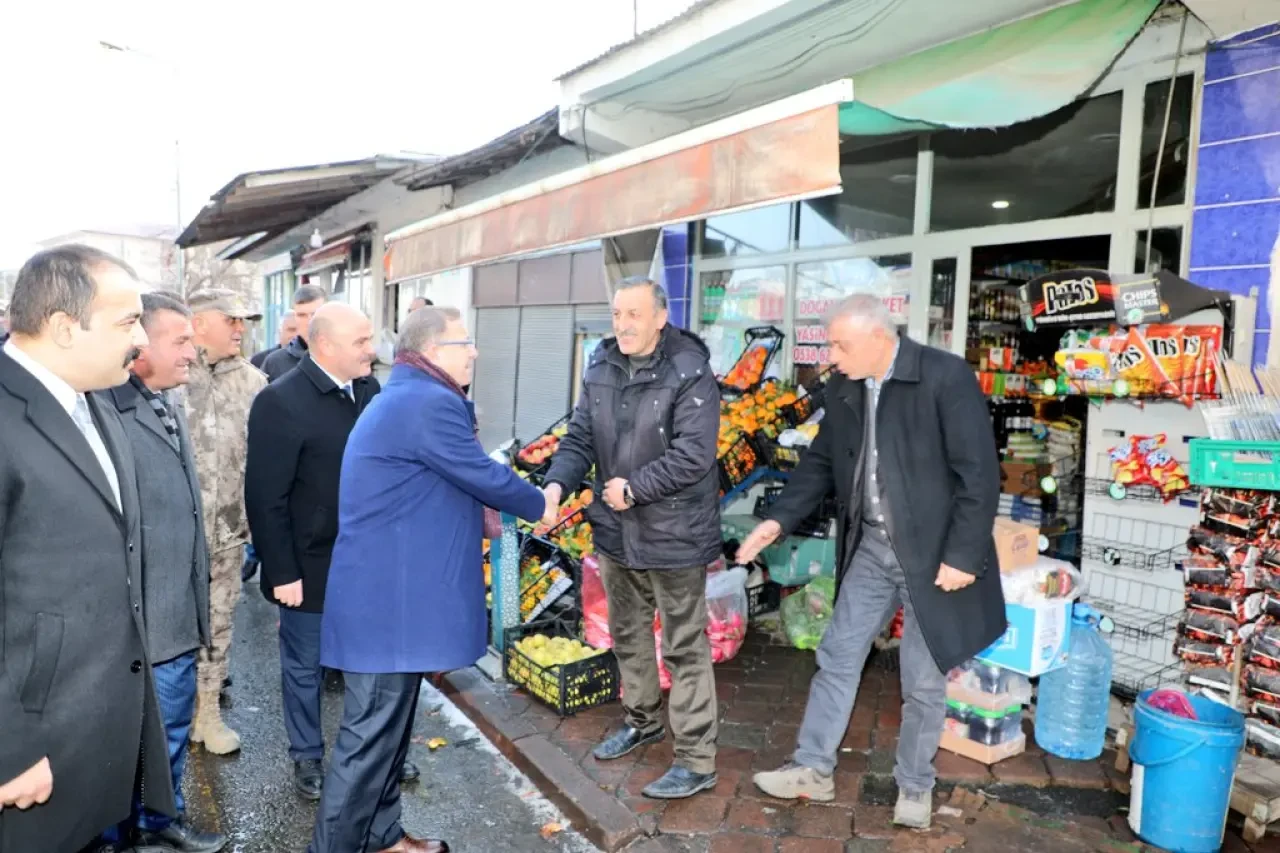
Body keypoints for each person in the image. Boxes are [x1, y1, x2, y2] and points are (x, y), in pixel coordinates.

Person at [740, 294, 1005, 830]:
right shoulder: (845, 388)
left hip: (934, 558)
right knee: (837, 654)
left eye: (840, 345)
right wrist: (778, 520)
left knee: (922, 682)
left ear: (881, 339)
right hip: (875, 548)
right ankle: (814, 767)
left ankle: (915, 785)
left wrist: (961, 556)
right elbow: (818, 464)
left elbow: (979, 476)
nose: (831, 357)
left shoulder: (943, 377)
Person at [310, 306, 551, 853]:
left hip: (393, 603)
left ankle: (384, 838)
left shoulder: (409, 395)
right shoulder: (428, 403)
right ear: (433, 351)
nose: (473, 352)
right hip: (389, 608)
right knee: (368, 742)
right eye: (464, 342)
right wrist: (540, 499)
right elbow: (483, 475)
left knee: (388, 738)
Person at [0, 245, 176, 853]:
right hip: (30, 745)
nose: (142, 342)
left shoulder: (94, 401)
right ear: (62, 327)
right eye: (127, 322)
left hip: (93, 726)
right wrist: (8, 751)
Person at [542, 276, 722, 800]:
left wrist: (635, 489)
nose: (622, 324)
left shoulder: (690, 370)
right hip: (617, 529)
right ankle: (641, 719)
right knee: (629, 634)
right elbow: (579, 437)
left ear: (660, 318)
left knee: (686, 645)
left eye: (634, 314)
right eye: (617, 314)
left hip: (675, 532)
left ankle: (696, 758)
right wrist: (557, 482)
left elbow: (695, 454)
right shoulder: (599, 364)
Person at [246, 303, 421, 801]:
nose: (373, 349)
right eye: (362, 341)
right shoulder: (279, 402)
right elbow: (265, 497)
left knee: (373, 663)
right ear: (325, 346)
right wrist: (281, 570)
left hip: (369, 559)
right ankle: (307, 757)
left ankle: (377, 753)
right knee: (305, 667)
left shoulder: (368, 389)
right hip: (308, 564)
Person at [105, 293, 227, 853]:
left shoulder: (166, 403)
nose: (191, 351)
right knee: (129, 741)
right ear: (140, 346)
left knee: (170, 728)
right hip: (141, 618)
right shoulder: (106, 413)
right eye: (178, 340)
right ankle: (124, 834)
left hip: (175, 609)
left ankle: (160, 822)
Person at [184, 287, 268, 755]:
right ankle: (169, 720)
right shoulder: (170, 377)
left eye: (243, 321)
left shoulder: (254, 384)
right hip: (173, 538)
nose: (240, 329)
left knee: (219, 626)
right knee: (171, 630)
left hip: (229, 534)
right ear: (198, 323)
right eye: (230, 320)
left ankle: (208, 713)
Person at [262, 284, 326, 382]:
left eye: (315, 314)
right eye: (302, 315)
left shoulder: (347, 358)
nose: (309, 321)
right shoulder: (275, 363)